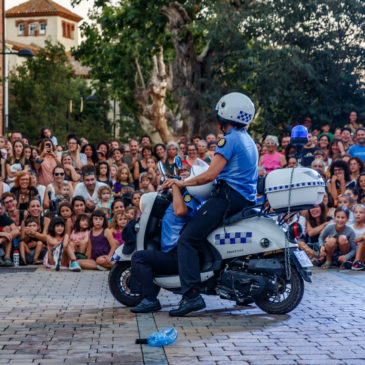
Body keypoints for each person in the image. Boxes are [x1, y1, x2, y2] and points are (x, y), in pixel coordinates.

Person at [162, 92, 257, 316]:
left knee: (187, 237)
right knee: (202, 235)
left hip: (228, 196)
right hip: (243, 197)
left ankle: (191, 296)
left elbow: (209, 175)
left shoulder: (229, 139)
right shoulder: (247, 139)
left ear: (225, 116)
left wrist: (182, 182)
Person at [130, 164, 200, 313]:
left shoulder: (189, 196)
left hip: (177, 255)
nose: (182, 177)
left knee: (139, 258)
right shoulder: (181, 195)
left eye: (186, 175)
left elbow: (180, 211)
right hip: (175, 252)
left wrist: (175, 186)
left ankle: (150, 300)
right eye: (181, 175)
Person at [0, 199, 20, 267]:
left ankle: (7, 257)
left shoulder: (3, 217)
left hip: (2, 243)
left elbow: (16, 230)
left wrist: (5, 237)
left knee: (8, 229)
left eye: (0, 208)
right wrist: (2, 234)